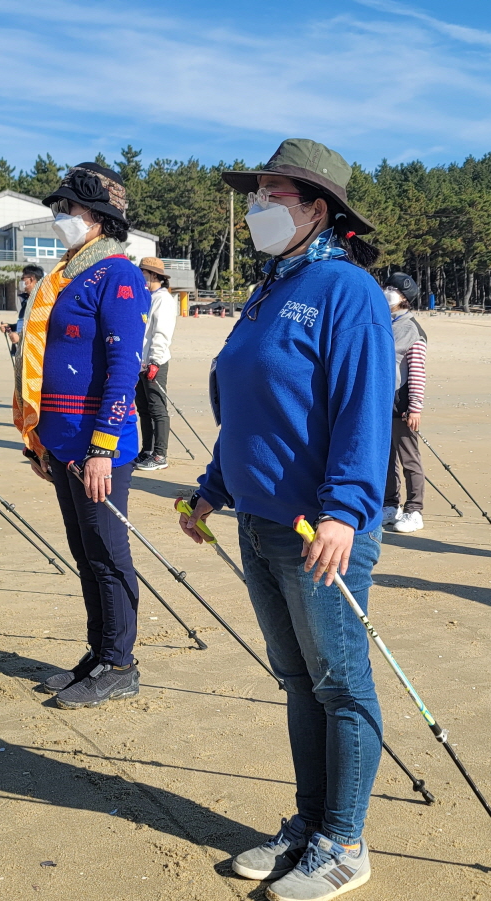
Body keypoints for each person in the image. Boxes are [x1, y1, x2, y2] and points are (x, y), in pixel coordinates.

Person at [176, 139, 390, 901]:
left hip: (319, 532)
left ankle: (345, 841)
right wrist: (212, 487)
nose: (258, 205)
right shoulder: (268, 288)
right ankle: (308, 822)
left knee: (341, 684)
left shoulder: (346, 292)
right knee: (298, 680)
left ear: (318, 210)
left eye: (273, 193)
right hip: (258, 523)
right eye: (258, 191)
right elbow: (245, 411)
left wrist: (345, 510)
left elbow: (365, 411)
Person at [14, 163, 148, 710]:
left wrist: (102, 447)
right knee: (83, 551)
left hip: (100, 444)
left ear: (96, 217)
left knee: (108, 552)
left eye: (67, 209)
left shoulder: (119, 274)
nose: (59, 217)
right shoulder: (68, 273)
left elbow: (124, 368)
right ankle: (98, 652)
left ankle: (121, 662)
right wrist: (40, 441)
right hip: (61, 439)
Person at [381, 272, 427, 533]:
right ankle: (389, 506)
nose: (388, 291)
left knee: (409, 459)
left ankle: (414, 510)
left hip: (403, 406)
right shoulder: (387, 321)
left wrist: (415, 406)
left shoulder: (411, 329)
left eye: (393, 289)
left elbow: (418, 371)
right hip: (382, 404)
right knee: (385, 459)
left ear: (404, 298)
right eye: (386, 286)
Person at [134, 256, 177, 471]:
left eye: (143, 273)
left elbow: (161, 333)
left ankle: (160, 455)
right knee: (143, 409)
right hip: (140, 362)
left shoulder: (163, 299)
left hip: (154, 362)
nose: (141, 276)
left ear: (153, 275)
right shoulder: (147, 297)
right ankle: (147, 450)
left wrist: (155, 361)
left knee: (158, 408)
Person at [3, 264, 46, 355]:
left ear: (31, 280)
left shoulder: (41, 302)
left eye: (23, 278)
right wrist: (10, 327)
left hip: (34, 354)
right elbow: (26, 324)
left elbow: (41, 330)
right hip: (22, 351)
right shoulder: (27, 300)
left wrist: (20, 338)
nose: (21, 281)